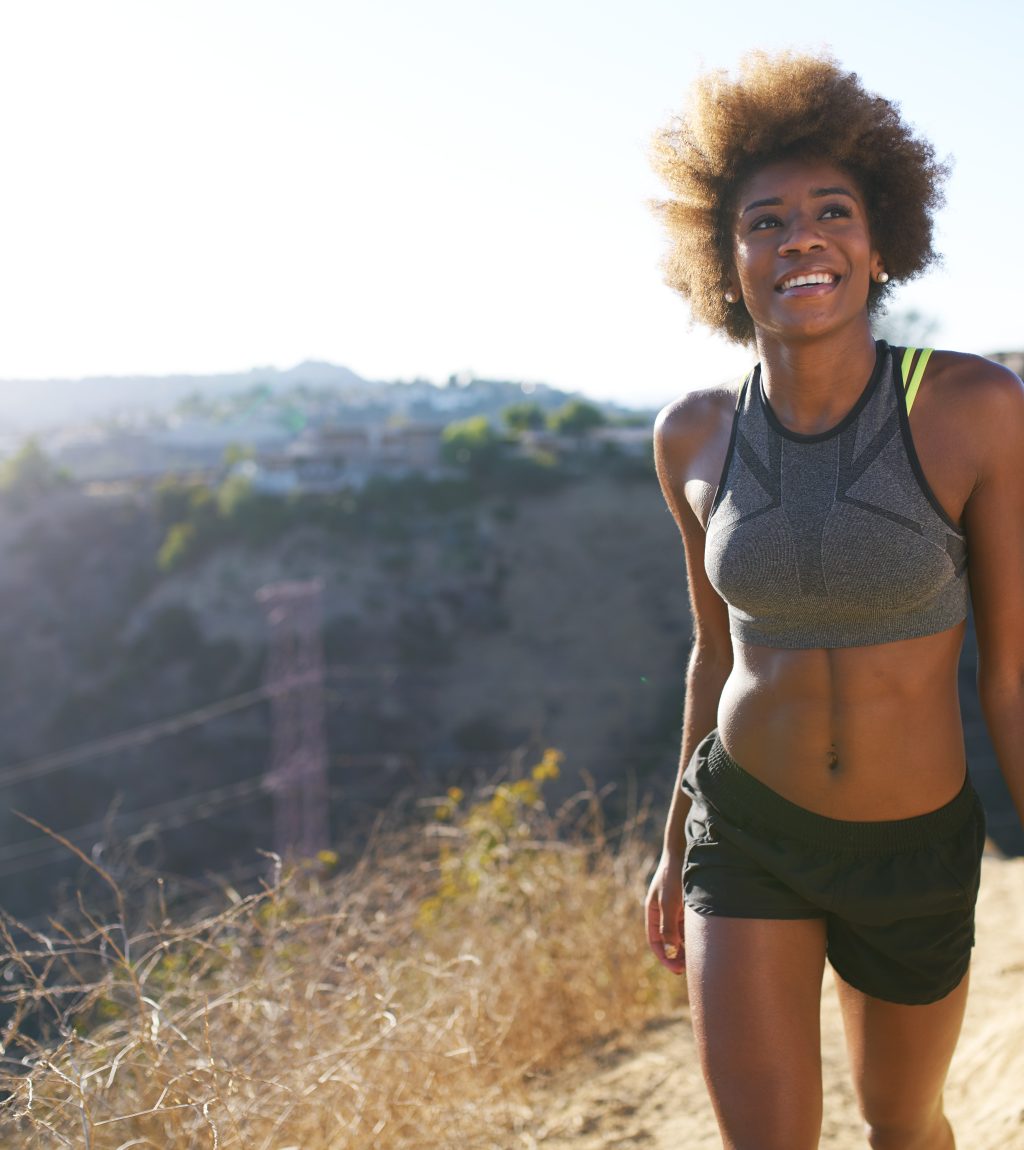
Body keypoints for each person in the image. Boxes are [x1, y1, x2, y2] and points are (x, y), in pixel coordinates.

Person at [643, 52, 1024, 1150]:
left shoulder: (972, 407)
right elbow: (710, 657)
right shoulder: (691, 434)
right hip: (746, 831)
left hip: (914, 844)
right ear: (724, 259)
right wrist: (674, 841)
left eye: (830, 212)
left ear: (878, 238)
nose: (799, 238)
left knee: (904, 1124)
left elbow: (1009, 669)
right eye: (764, 222)